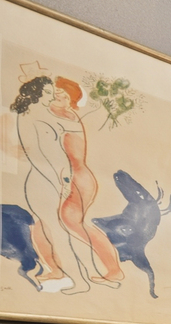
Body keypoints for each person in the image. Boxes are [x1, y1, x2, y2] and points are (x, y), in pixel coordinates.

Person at [10, 70, 124, 291]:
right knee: (41, 223)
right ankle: (55, 269)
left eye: (61, 95)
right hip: (62, 175)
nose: (55, 98)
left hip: (76, 178)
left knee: (73, 224)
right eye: (54, 94)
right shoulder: (50, 114)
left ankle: (111, 269)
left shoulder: (66, 117)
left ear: (71, 101)